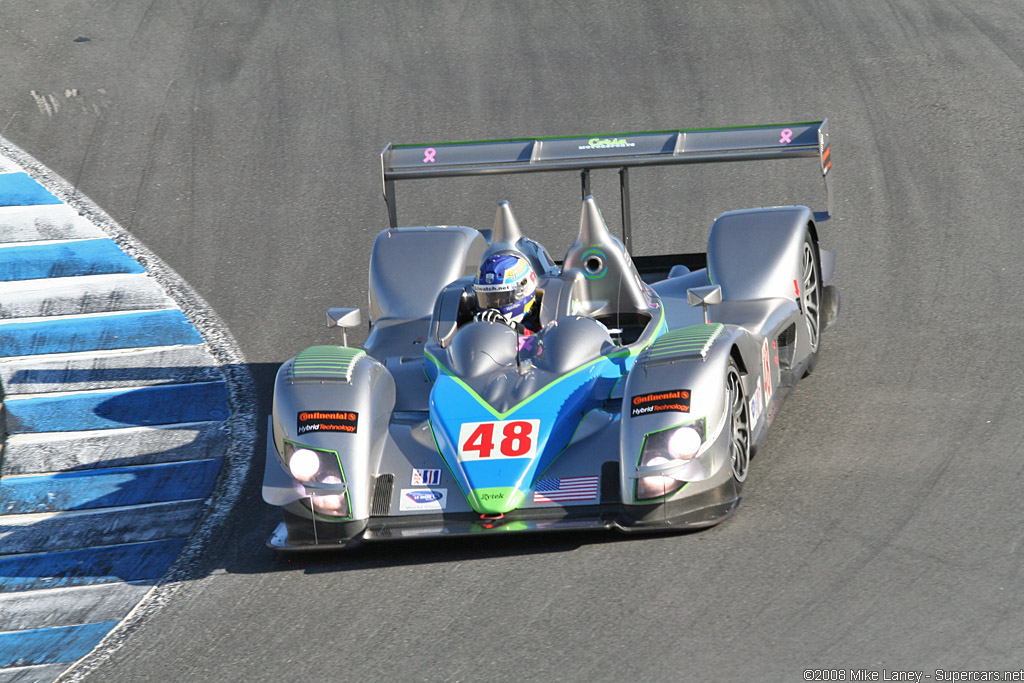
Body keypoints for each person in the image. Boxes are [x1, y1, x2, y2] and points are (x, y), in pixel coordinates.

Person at [472, 251, 543, 335]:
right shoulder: (477, 319)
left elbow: (544, 345)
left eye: (501, 298)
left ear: (523, 291)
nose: (494, 303)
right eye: (487, 298)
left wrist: (515, 328)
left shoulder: (546, 317)